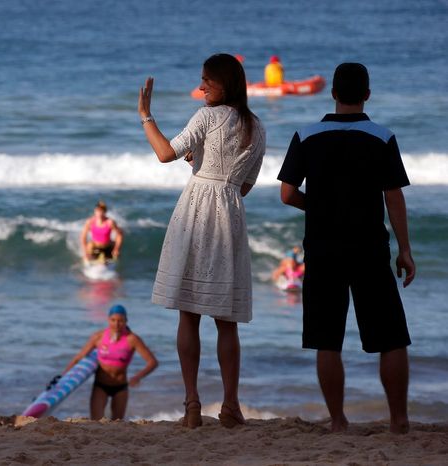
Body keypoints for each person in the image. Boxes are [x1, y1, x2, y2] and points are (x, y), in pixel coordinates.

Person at [277, 63, 414, 434]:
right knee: (391, 336)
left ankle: (338, 421)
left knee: (327, 340)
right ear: (367, 94)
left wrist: (318, 207)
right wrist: (405, 249)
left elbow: (287, 194)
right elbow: (393, 196)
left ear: (333, 94)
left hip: (322, 250)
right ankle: (399, 419)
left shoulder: (306, 135)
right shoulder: (382, 137)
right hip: (369, 247)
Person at [138, 53, 266, 428]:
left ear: (226, 83)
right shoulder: (256, 127)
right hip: (229, 213)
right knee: (226, 321)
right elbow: (244, 186)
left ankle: (192, 404)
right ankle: (230, 406)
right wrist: (206, 167)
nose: (201, 87)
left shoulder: (207, 117)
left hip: (196, 209)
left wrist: (146, 115)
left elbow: (164, 153)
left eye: (207, 81)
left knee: (189, 312)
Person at [65, 304, 158, 420]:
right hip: (100, 386)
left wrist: (138, 376)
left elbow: (152, 362)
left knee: (117, 423)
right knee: (96, 422)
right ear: (108, 320)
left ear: (126, 321)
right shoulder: (98, 337)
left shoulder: (132, 339)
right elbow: (79, 357)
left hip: (120, 387)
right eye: (113, 320)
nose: (117, 324)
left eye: (120, 320)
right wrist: (63, 376)